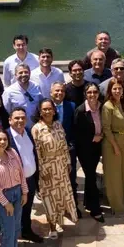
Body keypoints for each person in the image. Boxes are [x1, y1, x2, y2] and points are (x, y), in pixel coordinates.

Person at [32, 99, 79, 237]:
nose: (47, 111)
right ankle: (52, 227)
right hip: (47, 167)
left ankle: (60, 220)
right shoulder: (36, 129)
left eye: (49, 109)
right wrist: (43, 171)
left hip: (61, 166)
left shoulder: (58, 124)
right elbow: (37, 152)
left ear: (54, 110)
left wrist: (68, 162)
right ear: (40, 112)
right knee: (49, 199)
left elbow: (64, 145)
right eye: (44, 109)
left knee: (61, 196)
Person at [7, 108, 43, 243]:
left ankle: (26, 231)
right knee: (16, 210)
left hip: (31, 179)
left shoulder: (27, 131)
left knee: (27, 208)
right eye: (16, 118)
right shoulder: (6, 137)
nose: (20, 120)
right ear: (10, 120)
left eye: (22, 117)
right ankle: (13, 238)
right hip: (16, 182)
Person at [73, 84, 105, 222]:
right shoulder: (80, 111)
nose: (92, 95)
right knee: (91, 176)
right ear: (85, 94)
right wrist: (93, 137)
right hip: (85, 149)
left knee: (90, 176)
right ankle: (95, 209)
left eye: (95, 92)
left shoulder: (102, 107)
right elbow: (77, 133)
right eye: (89, 92)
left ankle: (87, 202)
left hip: (98, 146)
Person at [101, 81, 124, 213]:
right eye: (114, 89)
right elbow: (106, 129)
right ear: (110, 90)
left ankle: (122, 198)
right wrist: (115, 146)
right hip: (112, 143)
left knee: (123, 172)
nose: (117, 91)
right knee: (114, 174)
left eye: (120, 88)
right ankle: (116, 204)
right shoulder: (108, 106)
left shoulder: (123, 104)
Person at [50, 82, 78, 211]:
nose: (59, 93)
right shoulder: (46, 107)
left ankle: (73, 206)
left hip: (68, 149)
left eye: (62, 91)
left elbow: (75, 127)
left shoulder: (71, 106)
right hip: (52, 151)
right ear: (51, 93)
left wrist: (72, 144)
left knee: (71, 178)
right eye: (56, 91)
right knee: (55, 180)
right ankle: (58, 206)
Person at [3, 64, 43, 129]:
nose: (23, 74)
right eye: (20, 73)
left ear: (30, 73)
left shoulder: (36, 87)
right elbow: (7, 112)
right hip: (19, 128)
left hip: (36, 126)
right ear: (15, 75)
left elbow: (41, 105)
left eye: (26, 72)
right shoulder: (9, 92)